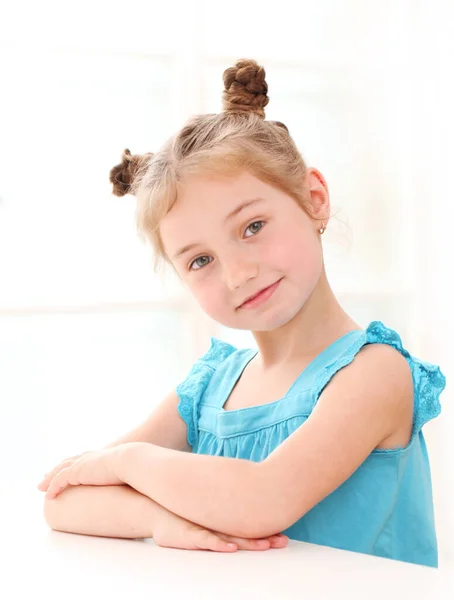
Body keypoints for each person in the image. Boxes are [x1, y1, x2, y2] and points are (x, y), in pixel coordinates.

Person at [38, 59, 446, 567]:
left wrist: (127, 462)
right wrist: (158, 521)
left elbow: (263, 500)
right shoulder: (210, 387)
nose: (236, 274)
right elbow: (65, 500)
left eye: (252, 227)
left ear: (313, 198)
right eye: (201, 260)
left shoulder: (375, 374)